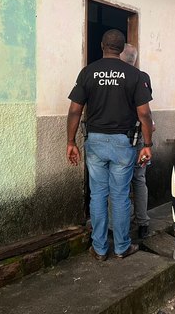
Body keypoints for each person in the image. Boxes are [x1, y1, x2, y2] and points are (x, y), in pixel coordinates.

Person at [66, 29, 153, 261]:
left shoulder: (88, 72)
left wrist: (70, 141)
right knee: (120, 196)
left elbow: (75, 110)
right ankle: (122, 247)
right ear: (122, 47)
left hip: (95, 142)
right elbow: (144, 114)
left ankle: (100, 248)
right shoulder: (134, 75)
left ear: (102, 45)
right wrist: (148, 144)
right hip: (123, 144)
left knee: (97, 195)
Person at [120, 43, 154, 239]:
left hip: (119, 137)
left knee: (118, 181)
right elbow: (146, 111)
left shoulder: (118, 76)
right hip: (140, 136)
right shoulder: (143, 77)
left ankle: (118, 225)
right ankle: (142, 222)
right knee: (139, 179)